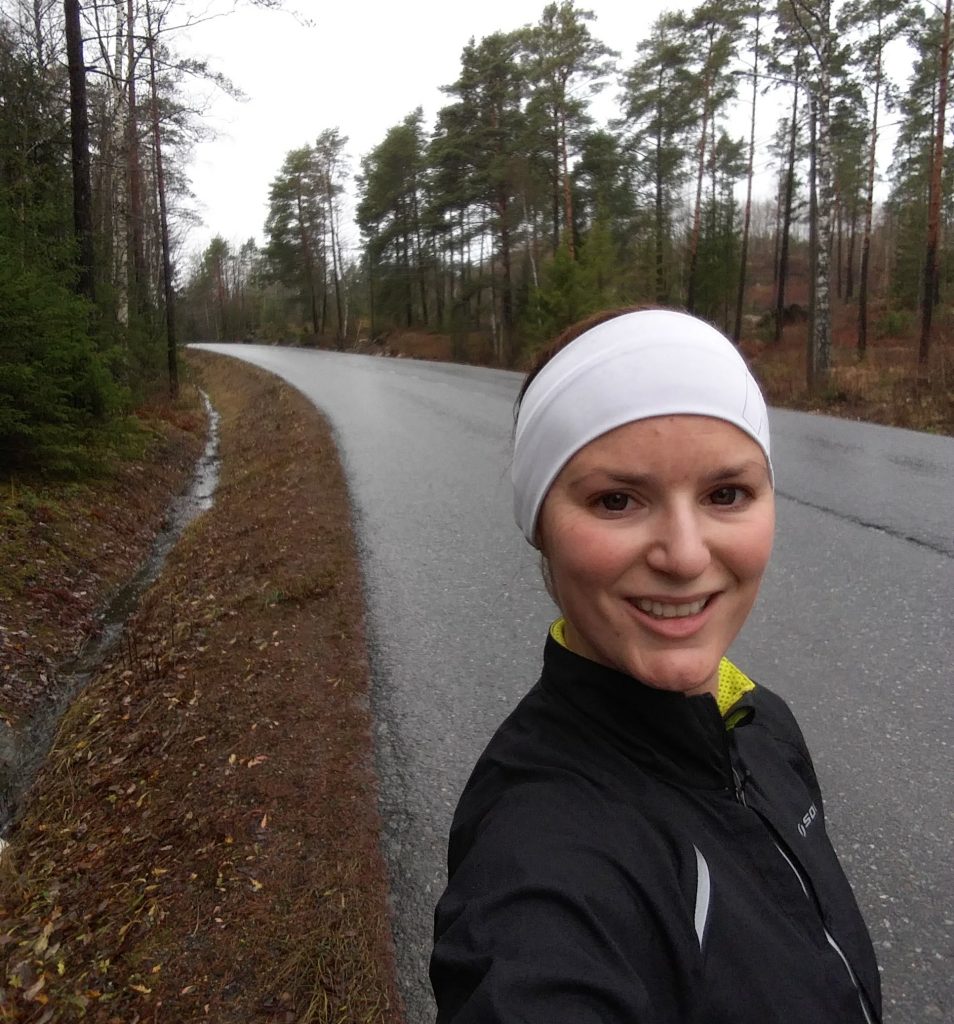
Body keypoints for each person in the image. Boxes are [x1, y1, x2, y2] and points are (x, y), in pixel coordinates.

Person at [430, 308, 881, 1024]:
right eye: (617, 500)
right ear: (540, 526)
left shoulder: (758, 720)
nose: (686, 555)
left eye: (725, 494)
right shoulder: (540, 860)